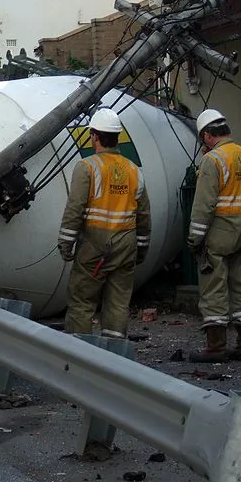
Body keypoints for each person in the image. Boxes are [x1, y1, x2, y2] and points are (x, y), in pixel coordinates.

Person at [57, 108, 151, 339]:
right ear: (117, 137)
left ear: (95, 137)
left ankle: (79, 357)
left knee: (82, 301)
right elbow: (144, 215)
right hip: (126, 244)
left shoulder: (87, 166)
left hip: (95, 245)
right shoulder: (134, 170)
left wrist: (65, 242)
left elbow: (75, 208)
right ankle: (113, 358)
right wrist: (141, 249)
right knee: (118, 302)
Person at [187, 109, 241, 363]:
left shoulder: (212, 161)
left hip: (218, 234)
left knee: (213, 288)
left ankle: (216, 347)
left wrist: (195, 239)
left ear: (207, 135)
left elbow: (203, 205)